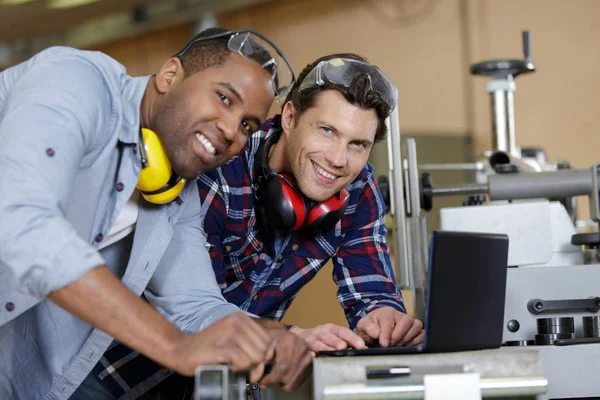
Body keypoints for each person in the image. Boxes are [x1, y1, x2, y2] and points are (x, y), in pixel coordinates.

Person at [0, 28, 313, 400]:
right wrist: (175, 347)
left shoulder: (177, 194)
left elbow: (194, 303)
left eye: (247, 125)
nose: (232, 131)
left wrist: (269, 337)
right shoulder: (74, 81)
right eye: (224, 97)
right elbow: (21, 222)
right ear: (169, 76)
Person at [196, 52, 426, 352]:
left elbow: (373, 293)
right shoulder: (221, 167)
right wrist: (286, 339)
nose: (338, 159)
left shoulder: (357, 187)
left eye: (357, 144)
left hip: (223, 380)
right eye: (327, 131)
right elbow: (191, 308)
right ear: (290, 117)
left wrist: (383, 318)